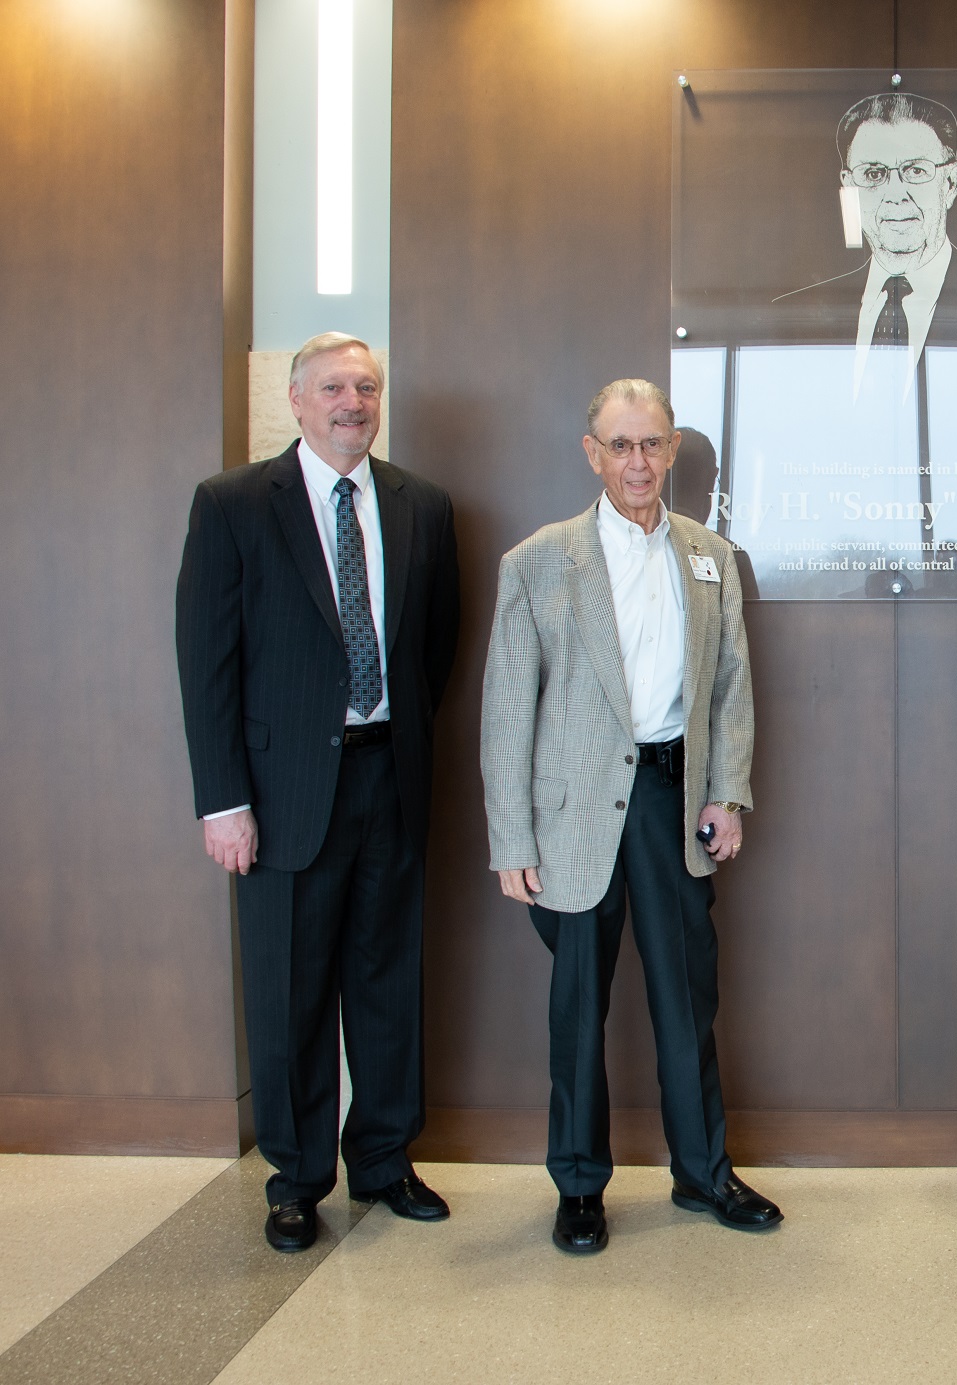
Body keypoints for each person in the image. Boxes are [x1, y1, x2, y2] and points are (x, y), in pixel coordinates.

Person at [176, 332, 462, 1252]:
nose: (352, 402)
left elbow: (435, 649)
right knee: (291, 989)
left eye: (367, 386)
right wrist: (223, 801)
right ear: (297, 401)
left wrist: (396, 734)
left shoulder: (425, 504)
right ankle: (297, 1176)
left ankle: (382, 1158)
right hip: (281, 789)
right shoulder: (232, 506)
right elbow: (206, 664)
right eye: (333, 387)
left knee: (386, 981)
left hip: (391, 775)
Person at [480, 378, 778, 1255]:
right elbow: (506, 710)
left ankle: (703, 1171)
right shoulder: (538, 559)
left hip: (673, 801)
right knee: (577, 1007)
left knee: (687, 999)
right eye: (620, 444)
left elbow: (729, 687)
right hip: (571, 817)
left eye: (651, 444)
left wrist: (726, 791)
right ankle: (578, 1184)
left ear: (673, 448)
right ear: (591, 452)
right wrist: (511, 838)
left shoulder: (710, 555)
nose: (637, 461)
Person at [774, 90, 957, 384]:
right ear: (850, 188)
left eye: (915, 170)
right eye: (874, 174)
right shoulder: (796, 313)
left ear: (950, 183)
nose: (895, 195)